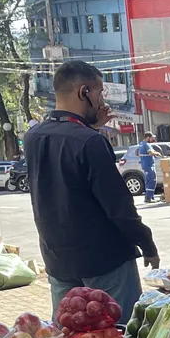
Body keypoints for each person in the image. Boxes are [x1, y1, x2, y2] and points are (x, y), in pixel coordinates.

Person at [25, 59, 158, 321]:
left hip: (59, 260)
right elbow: (119, 207)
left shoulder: (34, 138)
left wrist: (91, 127)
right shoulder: (90, 142)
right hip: (105, 262)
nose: (101, 102)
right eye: (99, 93)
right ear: (83, 92)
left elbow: (64, 170)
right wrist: (146, 242)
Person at [135, 137, 157, 203]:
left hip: (145, 165)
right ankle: (148, 198)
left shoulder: (141, 144)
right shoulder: (146, 144)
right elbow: (150, 153)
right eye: (152, 138)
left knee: (148, 181)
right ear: (148, 137)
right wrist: (157, 153)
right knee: (152, 181)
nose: (152, 139)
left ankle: (150, 197)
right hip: (149, 165)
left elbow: (137, 154)